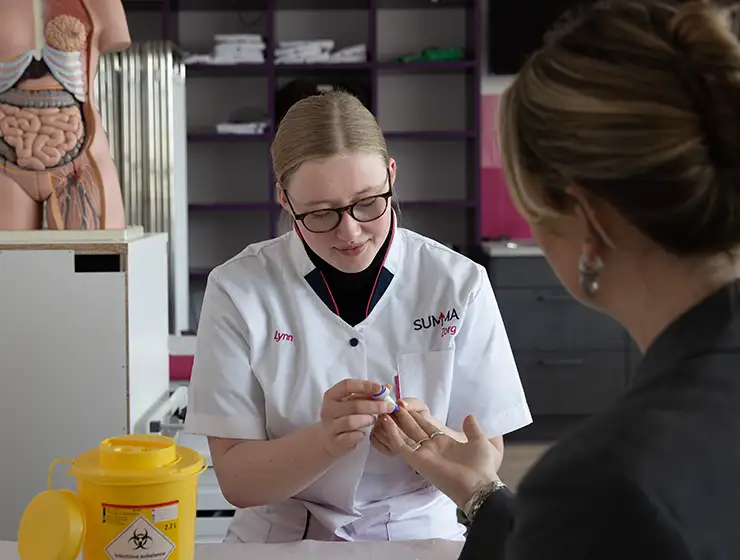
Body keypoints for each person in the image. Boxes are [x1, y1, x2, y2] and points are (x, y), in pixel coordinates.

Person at [374, 0, 740, 558]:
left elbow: (608, 519)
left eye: (533, 211)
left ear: (585, 220)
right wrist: (481, 495)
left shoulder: (604, 482)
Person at [184, 90, 532, 543]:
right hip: (282, 537)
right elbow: (236, 480)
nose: (350, 232)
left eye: (368, 203)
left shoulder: (458, 283)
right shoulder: (238, 289)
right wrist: (324, 441)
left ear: (391, 176)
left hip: (417, 532)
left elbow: (488, 452)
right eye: (321, 213)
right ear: (286, 201)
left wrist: (425, 440)